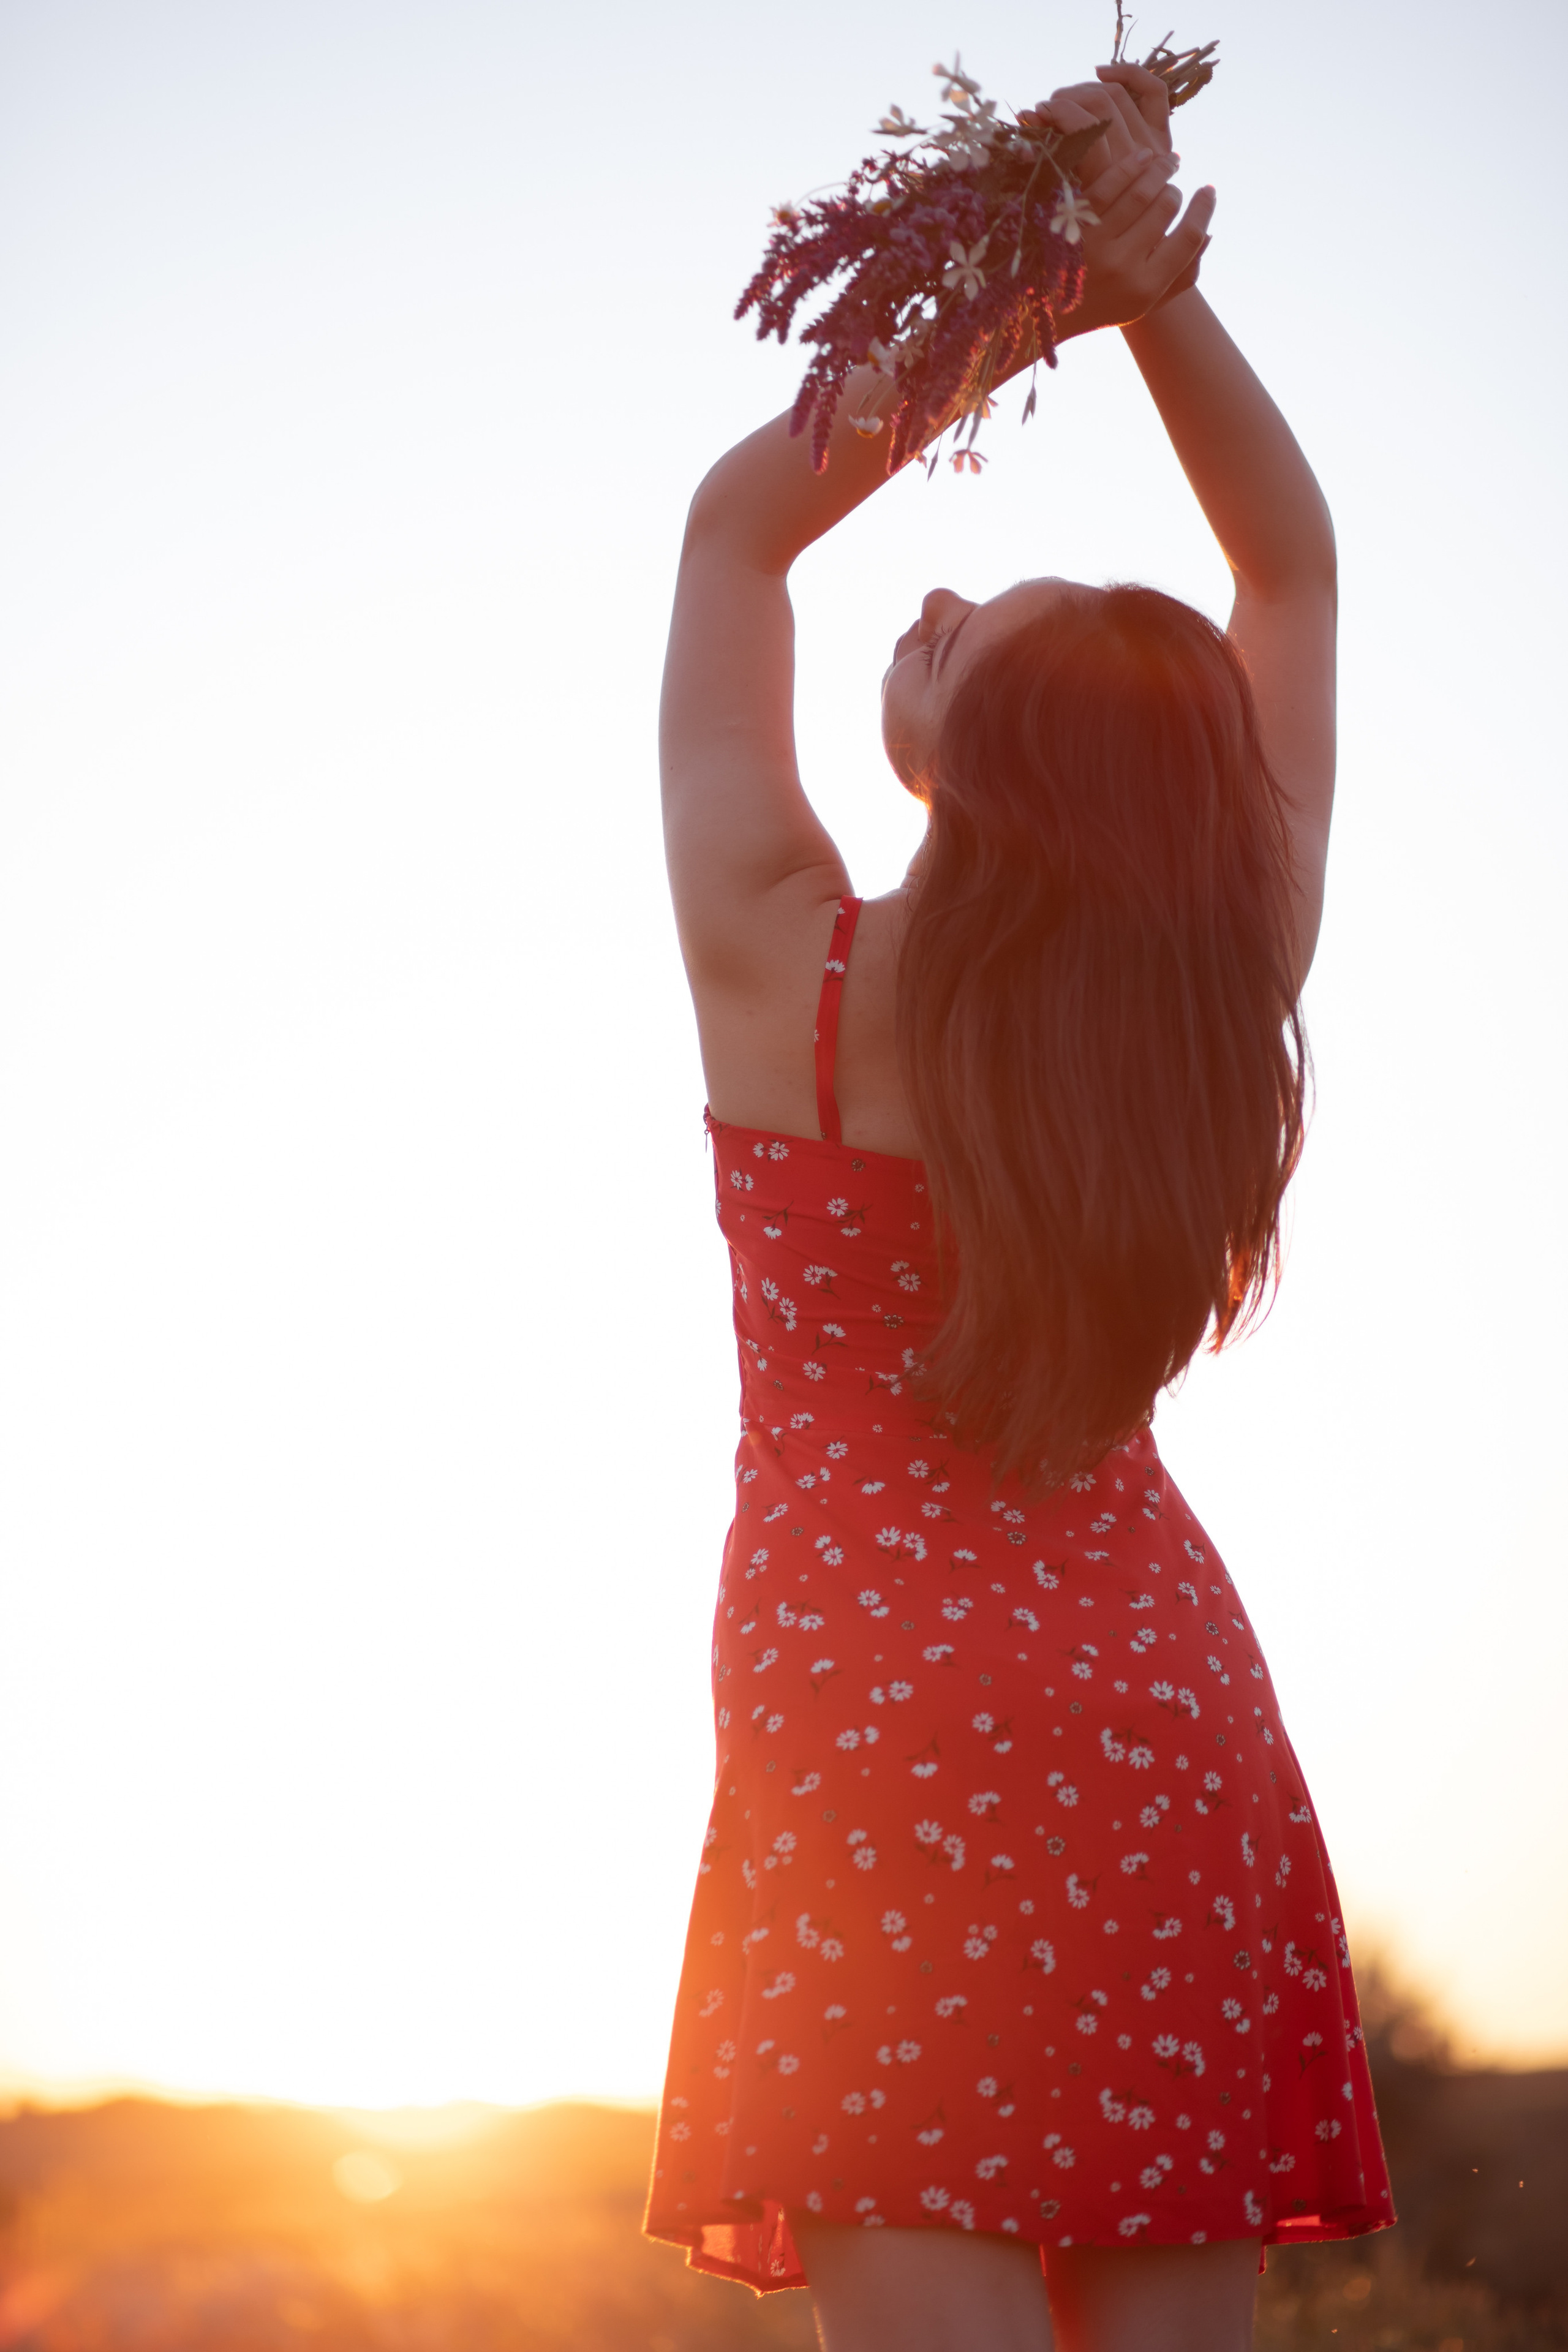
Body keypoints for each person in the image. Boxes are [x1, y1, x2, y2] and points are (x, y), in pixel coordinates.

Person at [643, 58, 1392, 2352]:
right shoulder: (1210, 994)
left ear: (978, 759)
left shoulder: (794, 963)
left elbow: (734, 540)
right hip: (1151, 1713)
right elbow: (1292, 568)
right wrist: (1153, 300)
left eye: (976, 618)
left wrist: (1020, 293)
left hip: (871, 1738)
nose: (944, 576)